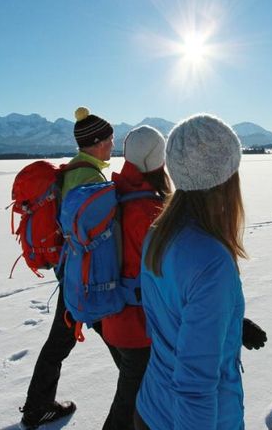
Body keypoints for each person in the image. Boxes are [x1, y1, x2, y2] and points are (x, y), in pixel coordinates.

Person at [134, 114, 253, 430]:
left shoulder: (158, 235)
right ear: (226, 177)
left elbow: (173, 316)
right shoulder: (212, 261)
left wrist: (230, 322)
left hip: (152, 406)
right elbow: (195, 385)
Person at [20, 106, 118, 429]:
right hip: (87, 275)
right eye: (110, 139)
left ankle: (37, 406)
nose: (113, 145)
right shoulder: (87, 177)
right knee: (123, 344)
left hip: (72, 271)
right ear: (97, 141)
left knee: (61, 341)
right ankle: (145, 399)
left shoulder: (73, 170)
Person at [100, 125, 171, 430]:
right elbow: (166, 274)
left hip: (112, 317)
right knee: (130, 406)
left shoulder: (114, 194)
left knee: (135, 399)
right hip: (138, 328)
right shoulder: (148, 209)